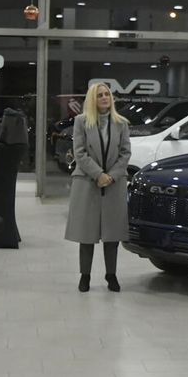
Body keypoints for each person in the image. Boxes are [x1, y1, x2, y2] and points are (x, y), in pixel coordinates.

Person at [64, 82, 130, 293]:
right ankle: (85, 276)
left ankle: (111, 275)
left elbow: (125, 153)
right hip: (87, 182)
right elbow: (80, 152)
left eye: (107, 95)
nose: (104, 98)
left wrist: (110, 176)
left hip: (113, 183)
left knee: (112, 233)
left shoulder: (122, 123)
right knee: (87, 233)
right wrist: (98, 174)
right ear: (92, 99)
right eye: (100, 95)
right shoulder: (81, 121)